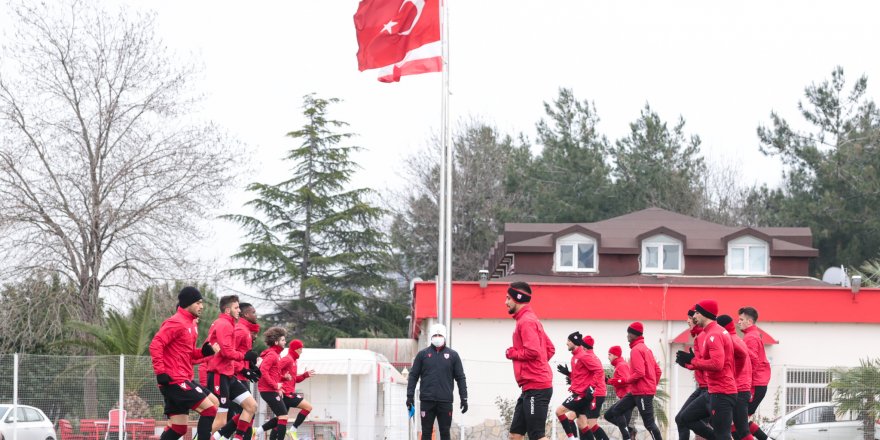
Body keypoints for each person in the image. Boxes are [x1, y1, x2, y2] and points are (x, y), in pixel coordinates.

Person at [149, 286, 221, 440]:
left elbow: (188, 355)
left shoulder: (191, 325)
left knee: (179, 428)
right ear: (188, 303)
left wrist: (204, 352)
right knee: (210, 409)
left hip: (182, 378)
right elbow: (156, 345)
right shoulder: (176, 322)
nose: (202, 306)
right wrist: (160, 372)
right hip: (174, 380)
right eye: (198, 302)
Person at [675, 300, 737, 440]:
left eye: (697, 312)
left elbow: (717, 364)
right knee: (685, 418)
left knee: (723, 435)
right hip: (713, 391)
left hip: (722, 393)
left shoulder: (713, 335)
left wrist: (693, 361)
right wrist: (692, 362)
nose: (694, 316)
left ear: (705, 314)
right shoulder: (713, 332)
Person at [504, 281, 555, 440]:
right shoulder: (529, 319)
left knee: (537, 436)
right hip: (530, 386)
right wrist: (537, 365)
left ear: (517, 298)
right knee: (515, 435)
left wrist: (513, 353)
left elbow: (533, 351)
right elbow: (549, 349)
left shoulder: (526, 321)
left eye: (508, 298)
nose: (505, 302)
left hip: (537, 387)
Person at [205, 295, 260, 440]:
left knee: (251, 406)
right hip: (219, 375)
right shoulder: (224, 324)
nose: (239, 311)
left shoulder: (230, 324)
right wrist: (245, 358)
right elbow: (227, 351)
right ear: (228, 310)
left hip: (229, 375)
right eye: (236, 308)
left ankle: (233, 438)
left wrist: (248, 366)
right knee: (221, 418)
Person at [406, 323, 468, 440]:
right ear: (431, 337)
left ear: (444, 336)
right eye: (435, 335)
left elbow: (460, 378)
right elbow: (413, 376)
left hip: (445, 401)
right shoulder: (422, 355)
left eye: (440, 335)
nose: (437, 337)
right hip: (427, 401)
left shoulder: (453, 355)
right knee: (426, 433)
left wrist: (464, 398)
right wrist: (409, 396)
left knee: (445, 433)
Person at [603, 322, 663, 440]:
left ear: (634, 334)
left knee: (649, 424)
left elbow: (640, 373)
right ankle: (628, 437)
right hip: (636, 392)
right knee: (616, 410)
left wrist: (643, 386)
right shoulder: (646, 349)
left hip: (642, 393)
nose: (627, 336)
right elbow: (658, 371)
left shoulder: (636, 350)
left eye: (629, 333)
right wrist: (652, 386)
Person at [257, 339, 316, 439]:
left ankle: (257, 431)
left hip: (287, 393)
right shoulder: (287, 359)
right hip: (285, 393)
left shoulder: (294, 361)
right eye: (301, 348)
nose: (302, 351)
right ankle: (293, 430)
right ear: (296, 349)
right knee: (308, 407)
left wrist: (305, 375)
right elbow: (274, 372)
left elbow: (294, 379)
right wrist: (278, 385)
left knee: (280, 420)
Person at [674, 308, 711, 440]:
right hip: (702, 388)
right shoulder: (699, 336)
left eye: (690, 317)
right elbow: (701, 363)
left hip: (708, 389)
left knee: (687, 421)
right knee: (681, 419)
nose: (688, 320)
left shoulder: (702, 336)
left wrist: (691, 362)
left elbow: (708, 363)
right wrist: (688, 364)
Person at [717, 314, 753, 440]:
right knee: (735, 429)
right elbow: (751, 359)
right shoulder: (738, 339)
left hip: (738, 389)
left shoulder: (729, 341)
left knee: (742, 431)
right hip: (743, 389)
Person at [738, 306, 771, 440]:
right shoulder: (752, 335)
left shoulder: (750, 338)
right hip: (757, 384)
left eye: (741, 319)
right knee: (741, 422)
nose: (738, 322)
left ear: (749, 322)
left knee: (738, 423)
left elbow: (753, 362)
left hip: (755, 385)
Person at [554, 331, 593, 439]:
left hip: (582, 395)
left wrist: (592, 387)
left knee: (559, 411)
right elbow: (579, 378)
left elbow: (598, 371)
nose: (566, 343)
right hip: (579, 392)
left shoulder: (583, 356)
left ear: (575, 342)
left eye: (569, 341)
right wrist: (568, 373)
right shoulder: (574, 357)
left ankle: (572, 438)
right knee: (582, 424)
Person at [257, 327, 289, 440]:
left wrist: (280, 385)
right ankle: (257, 431)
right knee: (283, 416)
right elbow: (263, 371)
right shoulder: (272, 355)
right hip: (267, 390)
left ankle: (257, 431)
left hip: (270, 390)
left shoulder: (276, 354)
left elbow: (273, 373)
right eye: (283, 340)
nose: (285, 342)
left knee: (281, 417)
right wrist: (275, 386)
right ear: (276, 342)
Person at [606, 346, 636, 439]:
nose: (608, 357)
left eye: (609, 354)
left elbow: (627, 380)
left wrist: (611, 381)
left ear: (615, 355)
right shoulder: (618, 365)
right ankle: (629, 430)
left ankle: (629, 432)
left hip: (627, 398)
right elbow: (619, 381)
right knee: (608, 416)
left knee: (623, 428)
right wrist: (608, 381)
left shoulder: (622, 365)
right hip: (623, 398)